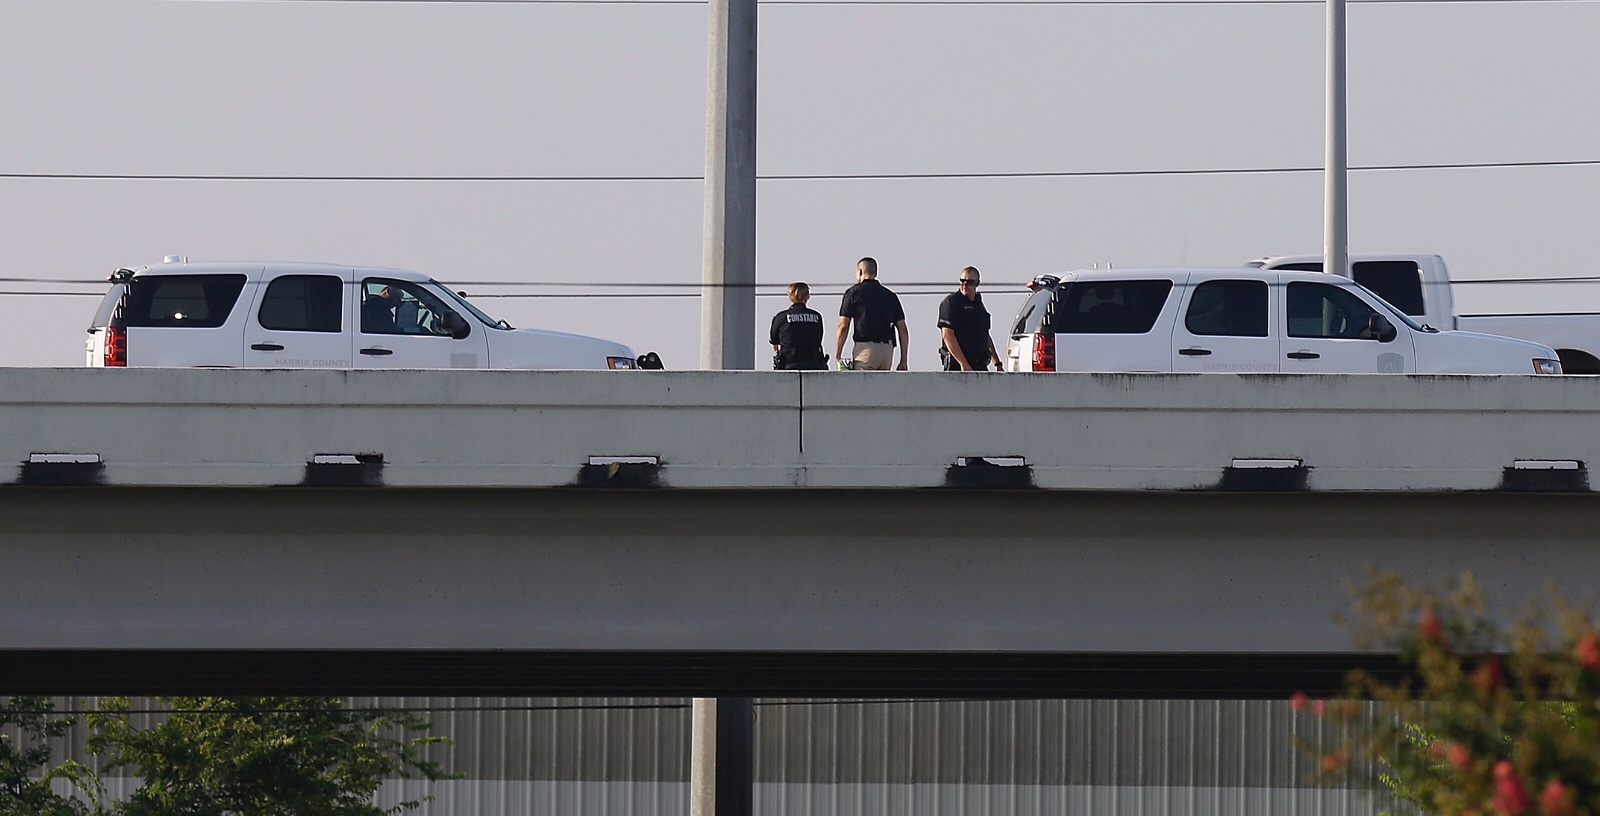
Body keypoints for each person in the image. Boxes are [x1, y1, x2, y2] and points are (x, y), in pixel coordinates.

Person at [834, 257, 908, 371]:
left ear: (860, 272)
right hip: (887, 351)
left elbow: (843, 326)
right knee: (881, 387)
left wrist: (838, 354)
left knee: (863, 387)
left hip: (865, 349)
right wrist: (903, 360)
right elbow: (903, 329)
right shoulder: (890, 295)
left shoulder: (853, 293)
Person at [937, 266, 1002, 371]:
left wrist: (998, 363)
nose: (965, 285)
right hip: (958, 368)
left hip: (979, 366)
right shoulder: (952, 303)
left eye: (969, 282)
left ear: (977, 283)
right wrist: (964, 364)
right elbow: (948, 336)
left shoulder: (979, 305)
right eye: (962, 281)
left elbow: (985, 336)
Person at [769, 282, 828, 370]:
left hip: (788, 364)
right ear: (807, 297)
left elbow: (774, 342)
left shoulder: (781, 317)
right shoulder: (817, 316)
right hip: (814, 363)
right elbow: (819, 339)